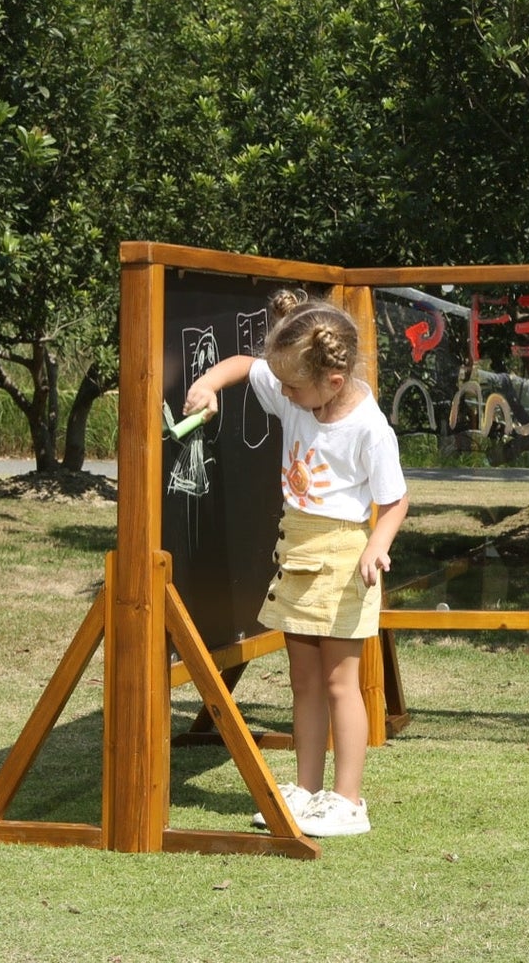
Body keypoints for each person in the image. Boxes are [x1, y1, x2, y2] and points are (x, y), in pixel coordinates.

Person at [183, 290, 408, 837]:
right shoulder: (295, 392)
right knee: (303, 682)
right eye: (281, 382)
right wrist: (207, 384)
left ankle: (348, 800)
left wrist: (378, 544)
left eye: (292, 386)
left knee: (339, 684)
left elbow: (395, 498)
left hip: (344, 559)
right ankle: (307, 791)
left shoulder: (369, 427)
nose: (280, 391)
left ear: (332, 381)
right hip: (297, 551)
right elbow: (244, 366)